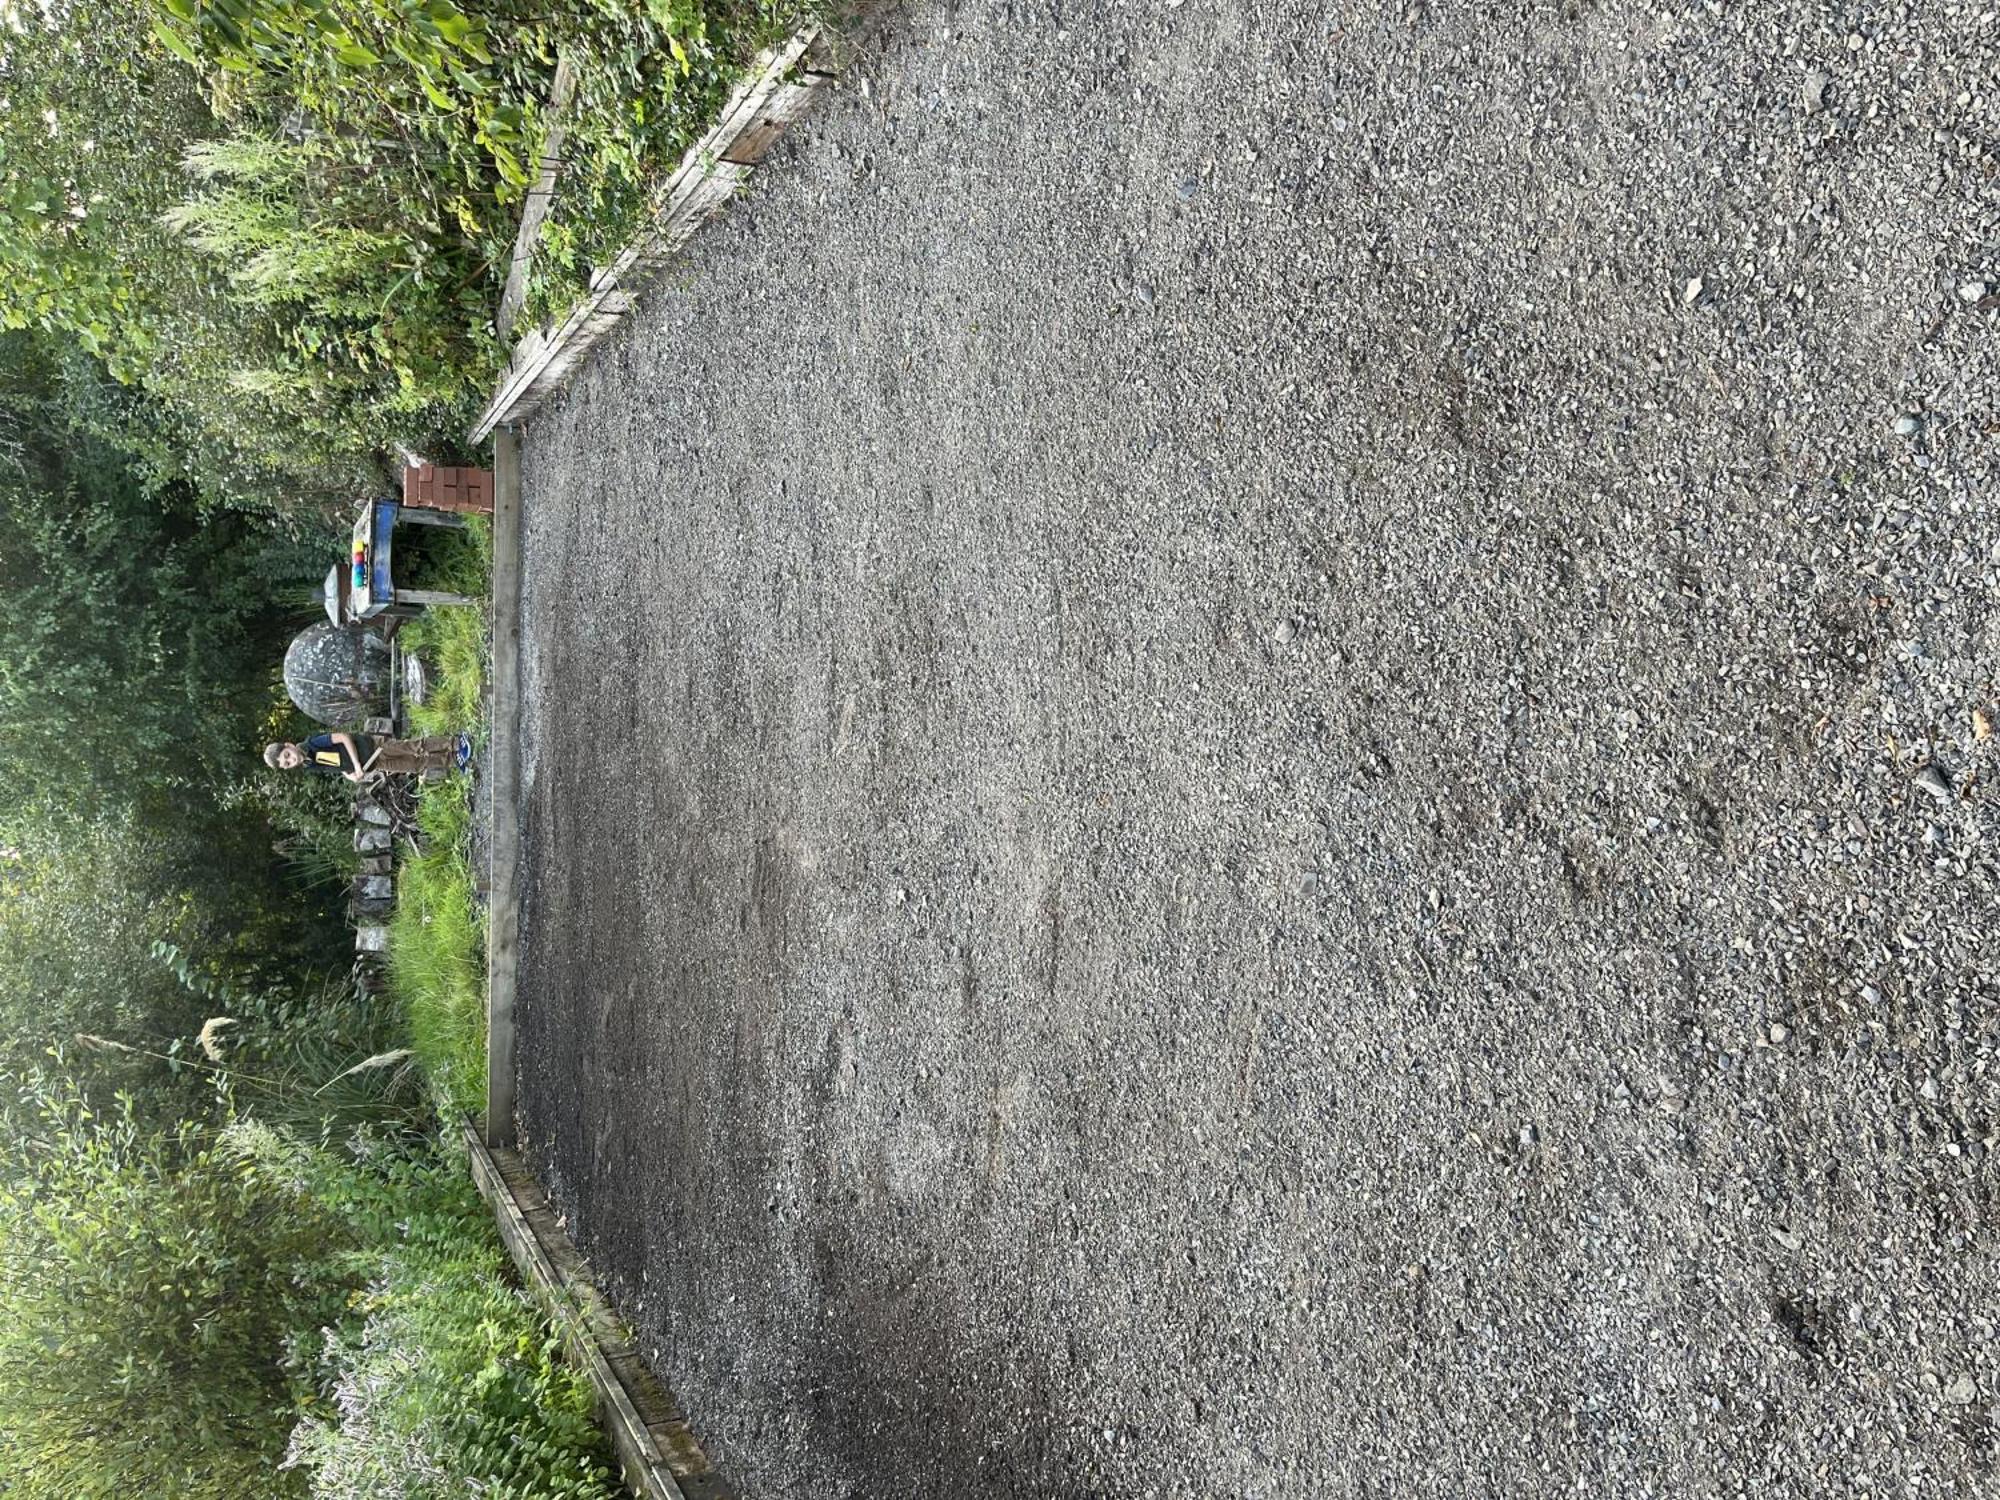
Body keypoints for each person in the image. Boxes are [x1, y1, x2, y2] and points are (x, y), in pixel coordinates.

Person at [264, 729, 467, 782]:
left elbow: (343, 738)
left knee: (414, 747)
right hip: (374, 764)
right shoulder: (309, 765)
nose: (291, 760)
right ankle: (451, 760)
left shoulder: (312, 744)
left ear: (289, 745)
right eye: (287, 763)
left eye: (288, 755)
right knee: (414, 766)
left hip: (372, 747)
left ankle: (453, 743)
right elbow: (335, 765)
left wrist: (356, 763)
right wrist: (350, 774)